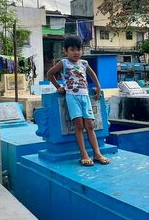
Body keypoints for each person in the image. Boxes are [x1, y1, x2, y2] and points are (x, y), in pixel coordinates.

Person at [46, 34, 110, 166]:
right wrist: (58, 87)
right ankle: (84, 154)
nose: (76, 52)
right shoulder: (63, 63)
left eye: (79, 49)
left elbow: (93, 75)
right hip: (72, 97)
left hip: (85, 96)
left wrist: (98, 87)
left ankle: (97, 154)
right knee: (79, 125)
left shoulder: (84, 63)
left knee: (90, 125)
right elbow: (50, 74)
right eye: (72, 49)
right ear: (65, 51)